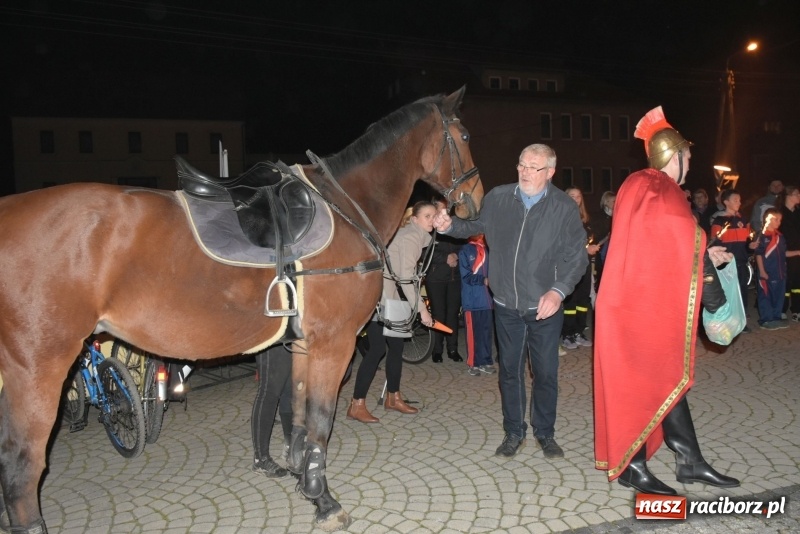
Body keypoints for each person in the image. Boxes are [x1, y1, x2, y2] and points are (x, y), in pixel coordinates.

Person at [594, 105, 740, 495]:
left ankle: (689, 460)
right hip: (635, 304)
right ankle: (632, 465)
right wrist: (702, 246)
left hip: (640, 296)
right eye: (688, 156)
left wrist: (705, 253)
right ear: (673, 155)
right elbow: (676, 233)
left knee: (666, 376)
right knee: (639, 381)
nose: (690, 163)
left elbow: (658, 244)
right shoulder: (654, 186)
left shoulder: (643, 185)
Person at [434, 143, 587, 460]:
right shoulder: (499, 197)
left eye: (534, 167)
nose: (525, 172)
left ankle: (544, 432)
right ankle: (513, 432)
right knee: (510, 372)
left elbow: (577, 257)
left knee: (545, 373)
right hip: (505, 304)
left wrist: (558, 290)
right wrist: (452, 226)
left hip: (544, 307)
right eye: (522, 164)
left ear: (550, 172)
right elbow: (477, 227)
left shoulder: (563, 207)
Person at [346, 201, 436, 423]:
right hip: (378, 299)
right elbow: (405, 278)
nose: (432, 220)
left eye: (434, 215)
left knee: (395, 348)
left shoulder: (416, 235)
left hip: (391, 300)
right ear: (414, 219)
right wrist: (422, 311)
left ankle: (393, 397)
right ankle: (356, 404)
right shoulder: (410, 237)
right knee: (376, 350)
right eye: (427, 216)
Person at [425, 199, 464, 363]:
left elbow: (463, 243)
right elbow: (423, 252)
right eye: (442, 208)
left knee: (453, 314)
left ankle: (453, 349)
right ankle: (437, 350)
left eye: (446, 208)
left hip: (455, 277)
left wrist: (456, 255)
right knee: (438, 314)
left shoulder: (451, 225)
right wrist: (444, 257)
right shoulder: (428, 228)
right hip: (435, 278)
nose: (445, 210)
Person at [560, 187, 598, 350]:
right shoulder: (562, 219)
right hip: (570, 266)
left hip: (585, 266)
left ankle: (579, 331)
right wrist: (584, 250)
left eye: (578, 196)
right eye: (572, 196)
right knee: (571, 300)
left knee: (583, 300)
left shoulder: (586, 221)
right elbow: (562, 245)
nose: (576, 199)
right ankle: (567, 334)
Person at [710, 189, 753, 330]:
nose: (739, 203)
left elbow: (748, 242)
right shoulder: (719, 220)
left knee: (742, 291)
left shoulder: (743, 220)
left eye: (740, 200)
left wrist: (751, 246)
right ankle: (728, 321)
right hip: (726, 264)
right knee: (729, 292)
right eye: (735, 200)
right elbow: (715, 242)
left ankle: (742, 320)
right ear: (726, 202)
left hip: (741, 262)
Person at [251, 345, 293, 477]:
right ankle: (261, 459)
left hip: (288, 332)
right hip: (271, 333)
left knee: (289, 389)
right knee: (269, 391)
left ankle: (290, 446)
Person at [458, 234, 495, 376]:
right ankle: (473, 363)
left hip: (486, 300)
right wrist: (483, 280)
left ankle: (485, 360)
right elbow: (466, 276)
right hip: (472, 300)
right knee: (473, 333)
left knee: (486, 332)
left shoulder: (488, 249)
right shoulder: (465, 250)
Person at [754, 208, 793, 329]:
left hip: (780, 273)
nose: (778, 222)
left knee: (778, 295)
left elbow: (784, 253)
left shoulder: (780, 236)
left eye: (780, 220)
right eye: (775, 219)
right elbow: (758, 254)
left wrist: (797, 252)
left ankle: (776, 317)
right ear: (767, 219)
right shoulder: (761, 235)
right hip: (767, 272)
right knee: (766, 295)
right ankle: (766, 320)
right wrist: (762, 271)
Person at [778, 186, 800, 320]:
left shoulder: (798, 213)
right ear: (788, 196)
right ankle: (782, 309)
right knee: (786, 281)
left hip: (799, 252)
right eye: (797, 194)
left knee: (798, 282)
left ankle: (797, 309)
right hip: (785, 253)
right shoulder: (779, 213)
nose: (799, 196)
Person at [593, 191, 615, 293]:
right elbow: (596, 235)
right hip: (600, 250)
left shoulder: (616, 216)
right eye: (613, 201)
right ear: (606, 202)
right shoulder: (599, 217)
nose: (616, 203)